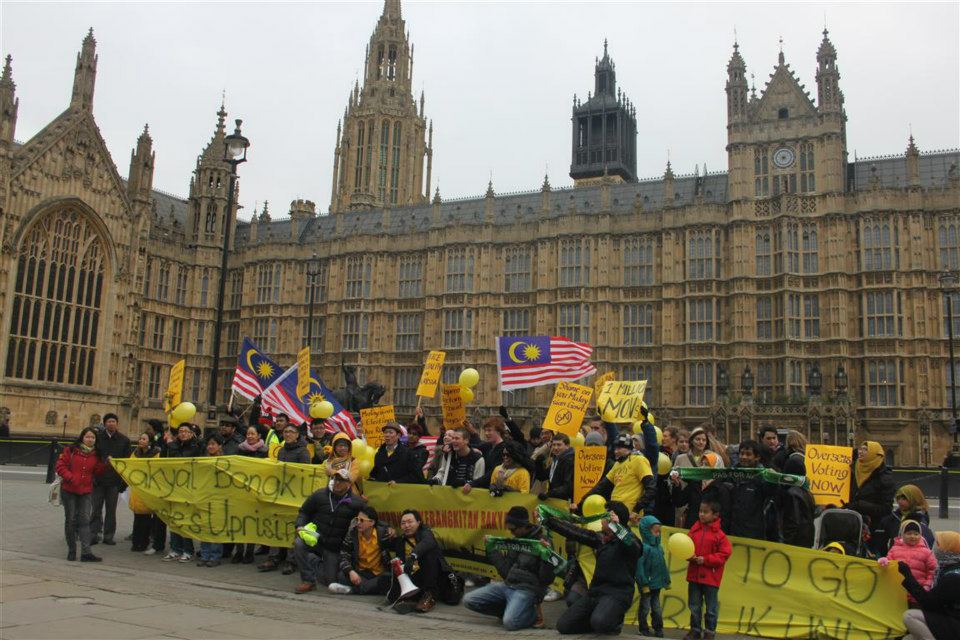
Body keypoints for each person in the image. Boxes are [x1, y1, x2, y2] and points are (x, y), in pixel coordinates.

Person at [543, 500, 642, 635]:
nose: (601, 520)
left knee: (600, 622)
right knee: (564, 626)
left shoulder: (630, 540)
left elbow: (634, 547)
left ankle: (613, 623)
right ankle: (597, 622)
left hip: (617, 594)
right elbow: (575, 532)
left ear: (613, 520)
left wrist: (619, 528)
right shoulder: (602, 539)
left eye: (604, 517)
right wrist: (548, 521)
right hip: (596, 592)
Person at [462, 506, 555, 631]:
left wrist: (546, 558)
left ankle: (533, 615)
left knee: (510, 623)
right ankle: (512, 611)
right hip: (508, 585)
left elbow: (547, 579)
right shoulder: (516, 541)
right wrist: (492, 550)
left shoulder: (543, 542)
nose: (511, 532)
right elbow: (505, 571)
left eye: (513, 529)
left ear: (523, 526)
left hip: (527, 590)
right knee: (469, 600)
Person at [292, 469, 364, 593]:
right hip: (316, 538)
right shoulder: (319, 494)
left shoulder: (356, 502)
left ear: (349, 484)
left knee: (330, 583)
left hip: (334, 547)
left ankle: (314, 561)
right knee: (299, 543)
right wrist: (299, 525)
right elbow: (304, 512)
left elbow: (370, 518)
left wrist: (387, 528)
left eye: (341, 480)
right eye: (335, 479)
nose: (337, 482)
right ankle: (308, 581)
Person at [896, 530, 960, 640]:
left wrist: (908, 576)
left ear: (948, 549)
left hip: (954, 624)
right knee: (908, 638)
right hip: (951, 618)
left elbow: (929, 603)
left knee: (909, 616)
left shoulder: (952, 577)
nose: (936, 548)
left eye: (939, 544)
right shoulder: (951, 568)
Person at [55, 427, 106, 561]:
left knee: (84, 521)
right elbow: (60, 466)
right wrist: (71, 477)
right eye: (87, 437)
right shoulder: (71, 450)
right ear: (82, 437)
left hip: (85, 491)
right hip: (69, 490)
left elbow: (98, 472)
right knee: (71, 520)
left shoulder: (96, 454)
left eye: (93, 437)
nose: (90, 439)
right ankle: (72, 551)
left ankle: (86, 553)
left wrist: (104, 463)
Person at [684, 500, 732, 640]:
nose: (701, 514)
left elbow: (724, 554)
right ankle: (695, 630)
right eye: (700, 511)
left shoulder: (720, 535)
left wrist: (705, 560)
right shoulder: (694, 530)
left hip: (711, 578)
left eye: (705, 512)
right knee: (694, 605)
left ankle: (709, 632)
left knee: (711, 608)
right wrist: (690, 556)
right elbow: (685, 546)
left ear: (715, 515)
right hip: (694, 575)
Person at [584, 434, 655, 522]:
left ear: (628, 448)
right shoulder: (617, 464)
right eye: (615, 448)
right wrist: (581, 501)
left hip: (630, 516)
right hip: (614, 514)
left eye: (619, 448)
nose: (616, 451)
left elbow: (651, 488)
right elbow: (601, 486)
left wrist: (636, 510)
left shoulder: (639, 460)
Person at [328, 505, 395, 595]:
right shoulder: (352, 534)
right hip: (361, 573)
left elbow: (388, 530)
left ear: (372, 522)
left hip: (379, 573)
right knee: (341, 576)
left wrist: (391, 529)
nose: (358, 523)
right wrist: (351, 571)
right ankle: (369, 588)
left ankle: (352, 590)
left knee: (387, 578)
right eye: (357, 519)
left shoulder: (383, 534)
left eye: (362, 520)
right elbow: (344, 555)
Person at [390, 509, 445, 614]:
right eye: (403, 523)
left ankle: (429, 595)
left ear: (418, 523)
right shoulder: (400, 540)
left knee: (429, 554)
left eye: (410, 522)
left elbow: (428, 542)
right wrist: (387, 530)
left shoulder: (426, 533)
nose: (406, 526)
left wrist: (413, 556)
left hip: (431, 576)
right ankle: (411, 598)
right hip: (412, 576)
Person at [670, 426, 725, 528]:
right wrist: (676, 485)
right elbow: (678, 501)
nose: (701, 442)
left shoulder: (720, 488)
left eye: (703, 440)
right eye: (702, 464)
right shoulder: (694, 483)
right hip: (691, 520)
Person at [162, 424, 202, 563]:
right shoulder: (175, 445)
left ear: (191, 434)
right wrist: (167, 444)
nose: (183, 433)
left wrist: (171, 444)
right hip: (175, 486)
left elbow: (180, 459)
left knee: (185, 519)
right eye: (180, 431)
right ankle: (175, 549)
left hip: (188, 487)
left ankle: (188, 550)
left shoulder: (195, 446)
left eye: (186, 431)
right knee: (174, 519)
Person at [847, 441, 896, 554]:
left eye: (865, 449)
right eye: (860, 449)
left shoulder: (885, 479)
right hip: (851, 525)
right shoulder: (852, 470)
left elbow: (886, 509)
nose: (860, 451)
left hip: (874, 529)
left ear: (875, 454)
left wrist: (860, 505)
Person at [90, 413, 130, 546]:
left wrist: (123, 482)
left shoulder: (124, 440)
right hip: (98, 480)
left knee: (111, 510)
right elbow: (93, 457)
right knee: (96, 509)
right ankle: (93, 534)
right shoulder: (98, 438)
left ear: (117, 424)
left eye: (113, 421)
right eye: (109, 421)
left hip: (114, 481)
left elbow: (126, 462)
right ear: (105, 423)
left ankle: (108, 536)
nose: (111, 424)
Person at [879, 520, 937, 603]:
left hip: (918, 594)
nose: (912, 536)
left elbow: (932, 571)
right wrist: (884, 561)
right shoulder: (894, 549)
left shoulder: (927, 552)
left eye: (916, 534)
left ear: (920, 535)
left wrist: (927, 585)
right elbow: (888, 564)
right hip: (898, 593)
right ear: (902, 535)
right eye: (909, 533)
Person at [726, 440, 770, 540]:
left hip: (753, 532)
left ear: (757, 457)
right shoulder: (730, 474)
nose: (744, 457)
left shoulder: (763, 477)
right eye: (741, 453)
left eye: (748, 454)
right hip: (732, 530)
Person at [636, 515, 670, 638]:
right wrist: (643, 583)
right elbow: (639, 567)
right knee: (645, 607)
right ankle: (643, 627)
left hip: (656, 585)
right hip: (646, 584)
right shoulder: (644, 548)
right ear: (646, 531)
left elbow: (662, 565)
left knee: (656, 608)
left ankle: (658, 628)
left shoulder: (659, 548)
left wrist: (666, 580)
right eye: (655, 531)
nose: (657, 534)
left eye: (659, 532)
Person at [773, 454, 816, 547]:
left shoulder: (791, 493)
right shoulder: (807, 492)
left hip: (794, 542)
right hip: (806, 539)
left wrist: (786, 543)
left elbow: (793, 522)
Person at [129, 432, 162, 554]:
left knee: (146, 519)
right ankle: (136, 542)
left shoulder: (156, 453)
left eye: (144, 439)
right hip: (138, 488)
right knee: (138, 517)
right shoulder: (135, 453)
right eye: (140, 438)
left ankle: (144, 542)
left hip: (150, 488)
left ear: (150, 442)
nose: (141, 441)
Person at [196, 435, 226, 567]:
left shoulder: (226, 461)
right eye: (209, 444)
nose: (210, 446)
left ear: (219, 446)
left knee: (216, 528)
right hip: (205, 497)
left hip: (218, 499)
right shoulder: (203, 461)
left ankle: (215, 556)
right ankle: (204, 555)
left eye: (213, 444)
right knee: (205, 527)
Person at [879, 484, 935, 552]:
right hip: (894, 555)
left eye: (904, 499)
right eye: (898, 498)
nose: (900, 501)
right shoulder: (893, 517)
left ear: (914, 499)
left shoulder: (920, 517)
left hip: (915, 555)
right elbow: (881, 539)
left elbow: (927, 540)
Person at [472, 416, 510, 489]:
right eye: (485, 430)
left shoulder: (504, 449)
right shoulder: (488, 445)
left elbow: (492, 472)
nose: (486, 433)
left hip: (495, 488)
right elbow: (470, 446)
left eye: (489, 430)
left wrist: (472, 483)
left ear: (498, 431)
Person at [537, 433, 574, 502]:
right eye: (554, 445)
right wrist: (538, 463)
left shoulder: (569, 461)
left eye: (559, 445)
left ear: (567, 446)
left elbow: (568, 487)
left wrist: (549, 494)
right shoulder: (556, 458)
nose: (556, 448)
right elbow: (543, 477)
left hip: (563, 501)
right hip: (555, 499)